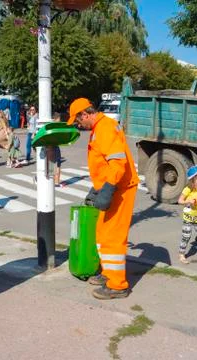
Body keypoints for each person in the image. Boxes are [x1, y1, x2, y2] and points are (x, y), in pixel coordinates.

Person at [67, 98, 139, 300]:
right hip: (114, 186)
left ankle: (118, 285)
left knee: (113, 236)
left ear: (85, 114)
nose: (78, 124)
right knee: (102, 232)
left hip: (120, 188)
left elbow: (117, 162)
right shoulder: (101, 127)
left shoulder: (104, 128)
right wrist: (98, 188)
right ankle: (109, 273)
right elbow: (106, 164)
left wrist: (107, 189)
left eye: (78, 120)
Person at [178, 165, 197, 264]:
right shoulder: (188, 189)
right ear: (194, 178)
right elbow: (180, 200)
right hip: (189, 217)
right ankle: (181, 254)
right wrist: (188, 201)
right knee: (186, 236)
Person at [53, 112, 62, 186]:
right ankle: (56, 182)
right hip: (54, 147)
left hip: (55, 146)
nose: (60, 120)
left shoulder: (54, 126)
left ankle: (57, 181)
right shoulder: (55, 126)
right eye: (59, 119)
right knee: (57, 164)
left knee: (57, 163)